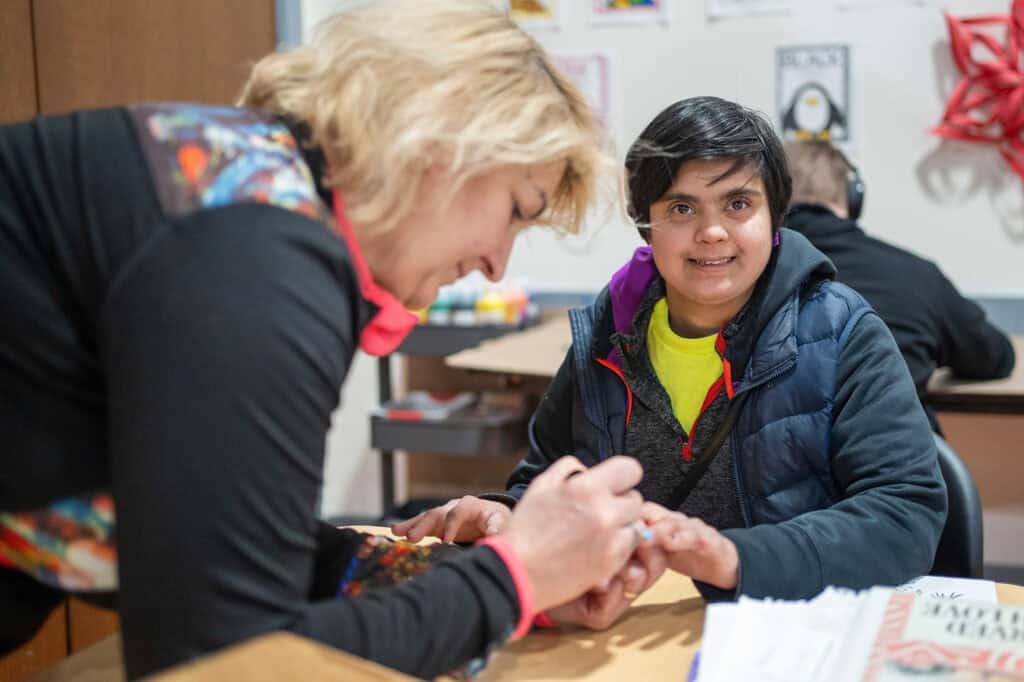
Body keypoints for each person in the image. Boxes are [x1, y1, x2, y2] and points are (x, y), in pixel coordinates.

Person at [0, 1, 662, 677]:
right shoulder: (257, 255)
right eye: (516, 211)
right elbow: (232, 662)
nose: (498, 263)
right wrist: (512, 577)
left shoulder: (250, 197)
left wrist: (469, 572)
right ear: (440, 139)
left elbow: (226, 551)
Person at [396, 96, 948, 605]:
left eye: (738, 203)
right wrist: (504, 513)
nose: (711, 232)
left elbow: (903, 516)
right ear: (646, 224)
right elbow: (547, 479)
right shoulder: (605, 337)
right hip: (629, 627)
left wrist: (733, 559)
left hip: (786, 629)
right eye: (681, 208)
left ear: (774, 217)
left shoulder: (843, 332)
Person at [783, 140, 1016, 433]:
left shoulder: (747, 277)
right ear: (854, 199)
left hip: (778, 471)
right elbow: (993, 357)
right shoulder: (915, 274)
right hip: (903, 462)